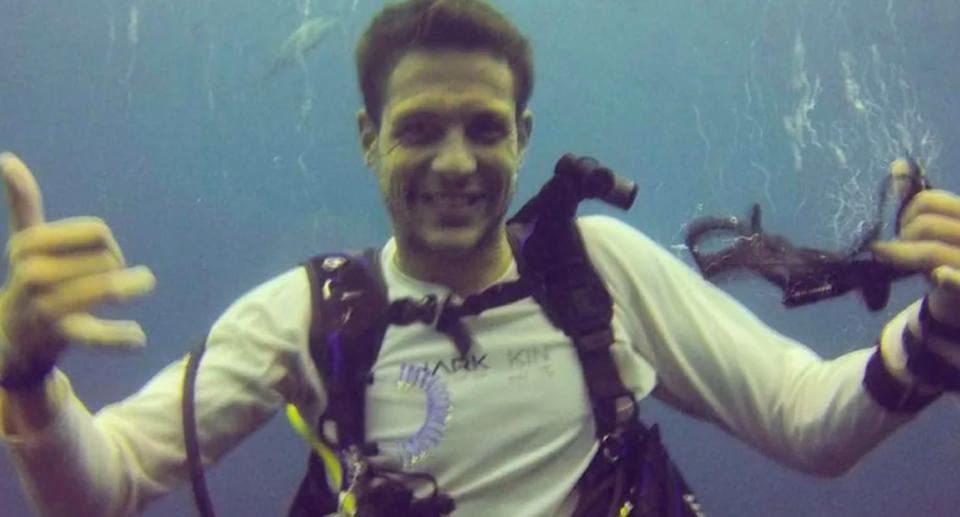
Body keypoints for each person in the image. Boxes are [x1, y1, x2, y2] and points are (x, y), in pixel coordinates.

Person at [2, 0, 960, 515]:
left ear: (525, 135)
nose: (455, 161)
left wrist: (940, 328)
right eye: (419, 128)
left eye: (484, 128)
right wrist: (31, 380)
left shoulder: (600, 268)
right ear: (368, 137)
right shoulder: (309, 314)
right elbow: (110, 483)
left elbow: (808, 425)